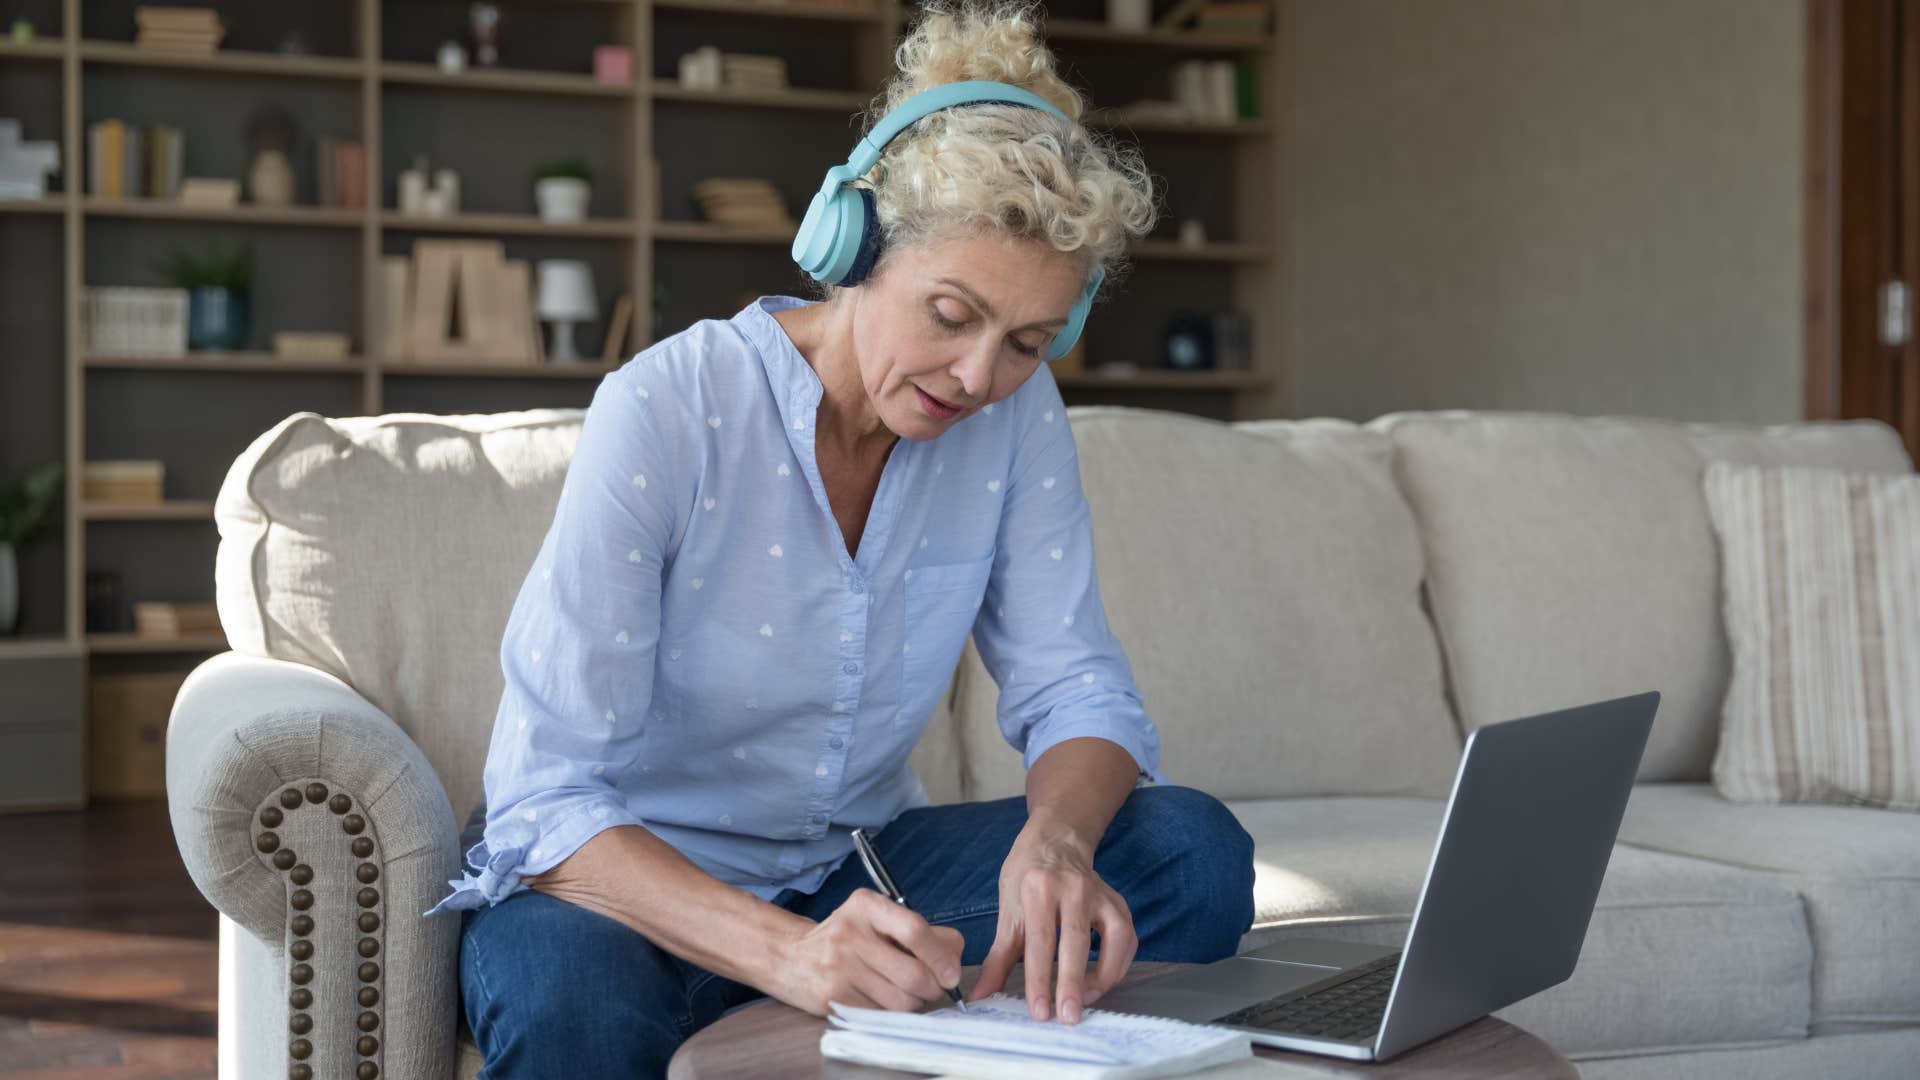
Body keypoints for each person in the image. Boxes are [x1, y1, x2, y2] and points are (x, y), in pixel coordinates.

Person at [432, 1, 1256, 1074]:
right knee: (566, 1003)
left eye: (1027, 342)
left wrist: (1053, 848)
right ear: (854, 244)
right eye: (951, 316)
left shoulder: (1016, 415)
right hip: (626, 888)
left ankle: (817, 1016)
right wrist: (788, 956)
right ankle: (769, 1002)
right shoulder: (670, 408)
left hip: (858, 873)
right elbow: (543, 803)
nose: (977, 378)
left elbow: (1075, 689)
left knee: (1191, 853)